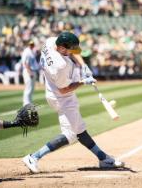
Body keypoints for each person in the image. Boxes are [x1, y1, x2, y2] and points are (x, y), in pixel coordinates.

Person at [22, 32, 124, 173]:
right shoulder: (60, 66)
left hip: (53, 92)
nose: (73, 51)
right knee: (73, 133)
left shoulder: (52, 41)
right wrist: (83, 81)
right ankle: (33, 157)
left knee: (77, 130)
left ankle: (103, 158)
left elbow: (74, 53)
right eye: (70, 49)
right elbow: (64, 89)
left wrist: (83, 65)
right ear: (63, 48)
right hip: (61, 97)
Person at [21, 41, 39, 106]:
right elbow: (26, 63)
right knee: (28, 87)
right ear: (28, 45)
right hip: (28, 71)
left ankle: (29, 102)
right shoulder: (27, 52)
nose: (31, 45)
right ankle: (26, 103)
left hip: (32, 70)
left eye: (32, 44)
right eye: (30, 44)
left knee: (31, 88)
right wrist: (29, 72)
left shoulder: (31, 51)